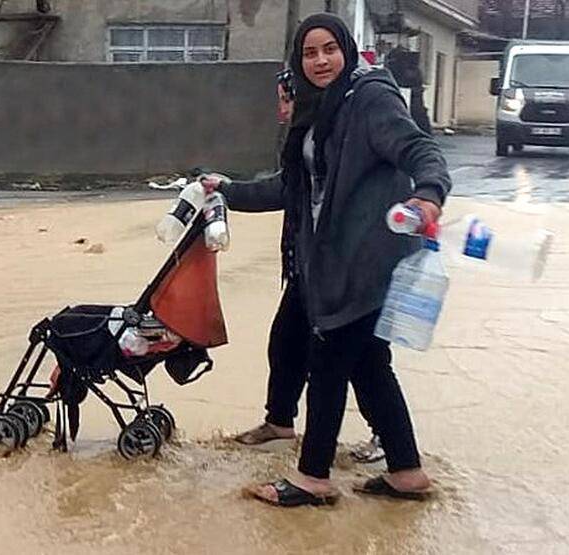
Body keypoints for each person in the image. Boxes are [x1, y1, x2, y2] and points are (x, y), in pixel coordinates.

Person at [203, 12, 451, 506]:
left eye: (329, 50)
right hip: (335, 261)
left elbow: (420, 149)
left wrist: (428, 195)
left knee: (330, 363)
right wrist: (226, 191)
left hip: (366, 260)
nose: (320, 61)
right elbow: (292, 189)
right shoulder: (322, 111)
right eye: (309, 53)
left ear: (347, 50)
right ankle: (406, 472)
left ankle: (312, 478)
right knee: (370, 365)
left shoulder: (371, 98)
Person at [232, 69, 386, 466]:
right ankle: (280, 424)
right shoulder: (309, 136)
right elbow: (284, 189)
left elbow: (416, 156)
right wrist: (226, 190)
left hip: (353, 267)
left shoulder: (344, 130)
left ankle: (379, 444)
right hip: (312, 266)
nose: (282, 111)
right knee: (286, 340)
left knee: (361, 360)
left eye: (288, 99)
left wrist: (428, 195)